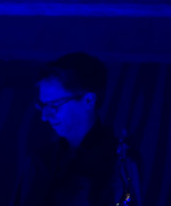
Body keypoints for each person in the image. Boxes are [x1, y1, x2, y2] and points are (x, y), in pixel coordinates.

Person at [15, 52, 141, 206]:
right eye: (42, 106)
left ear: (88, 100)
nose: (45, 116)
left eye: (54, 105)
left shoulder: (120, 162)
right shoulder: (39, 162)